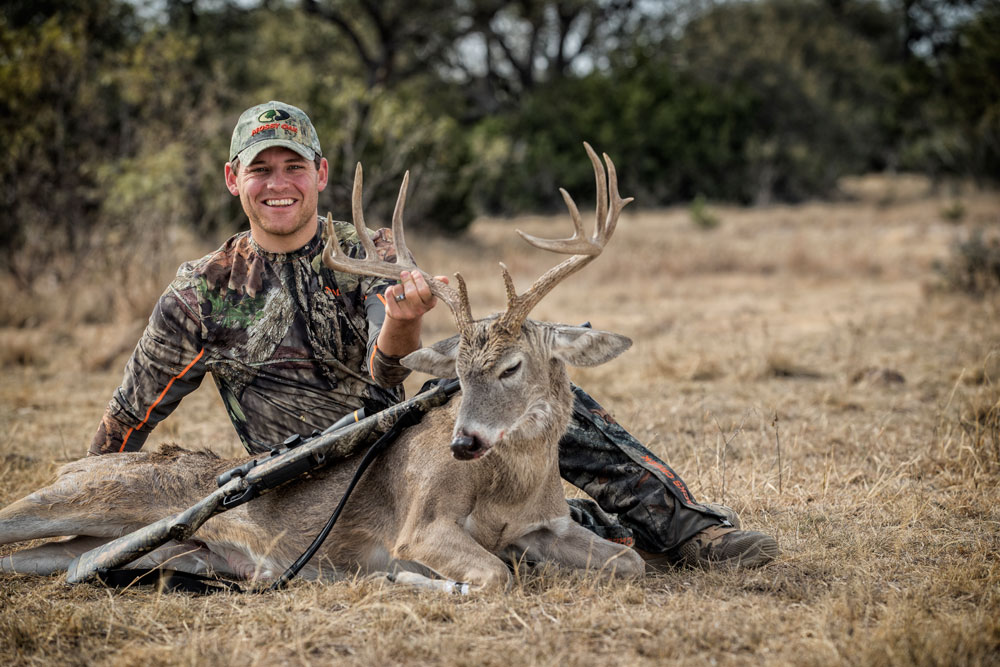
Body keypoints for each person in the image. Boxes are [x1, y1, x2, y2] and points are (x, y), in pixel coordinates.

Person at [89, 100, 779, 570]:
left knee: (538, 379)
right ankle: (597, 535)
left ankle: (693, 531)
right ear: (234, 178)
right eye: (261, 168)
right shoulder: (200, 291)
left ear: (320, 175)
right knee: (565, 535)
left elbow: (389, 385)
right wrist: (95, 490)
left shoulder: (380, 255)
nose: (279, 184)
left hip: (409, 448)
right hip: (309, 483)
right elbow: (130, 414)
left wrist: (404, 328)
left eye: (294, 166)